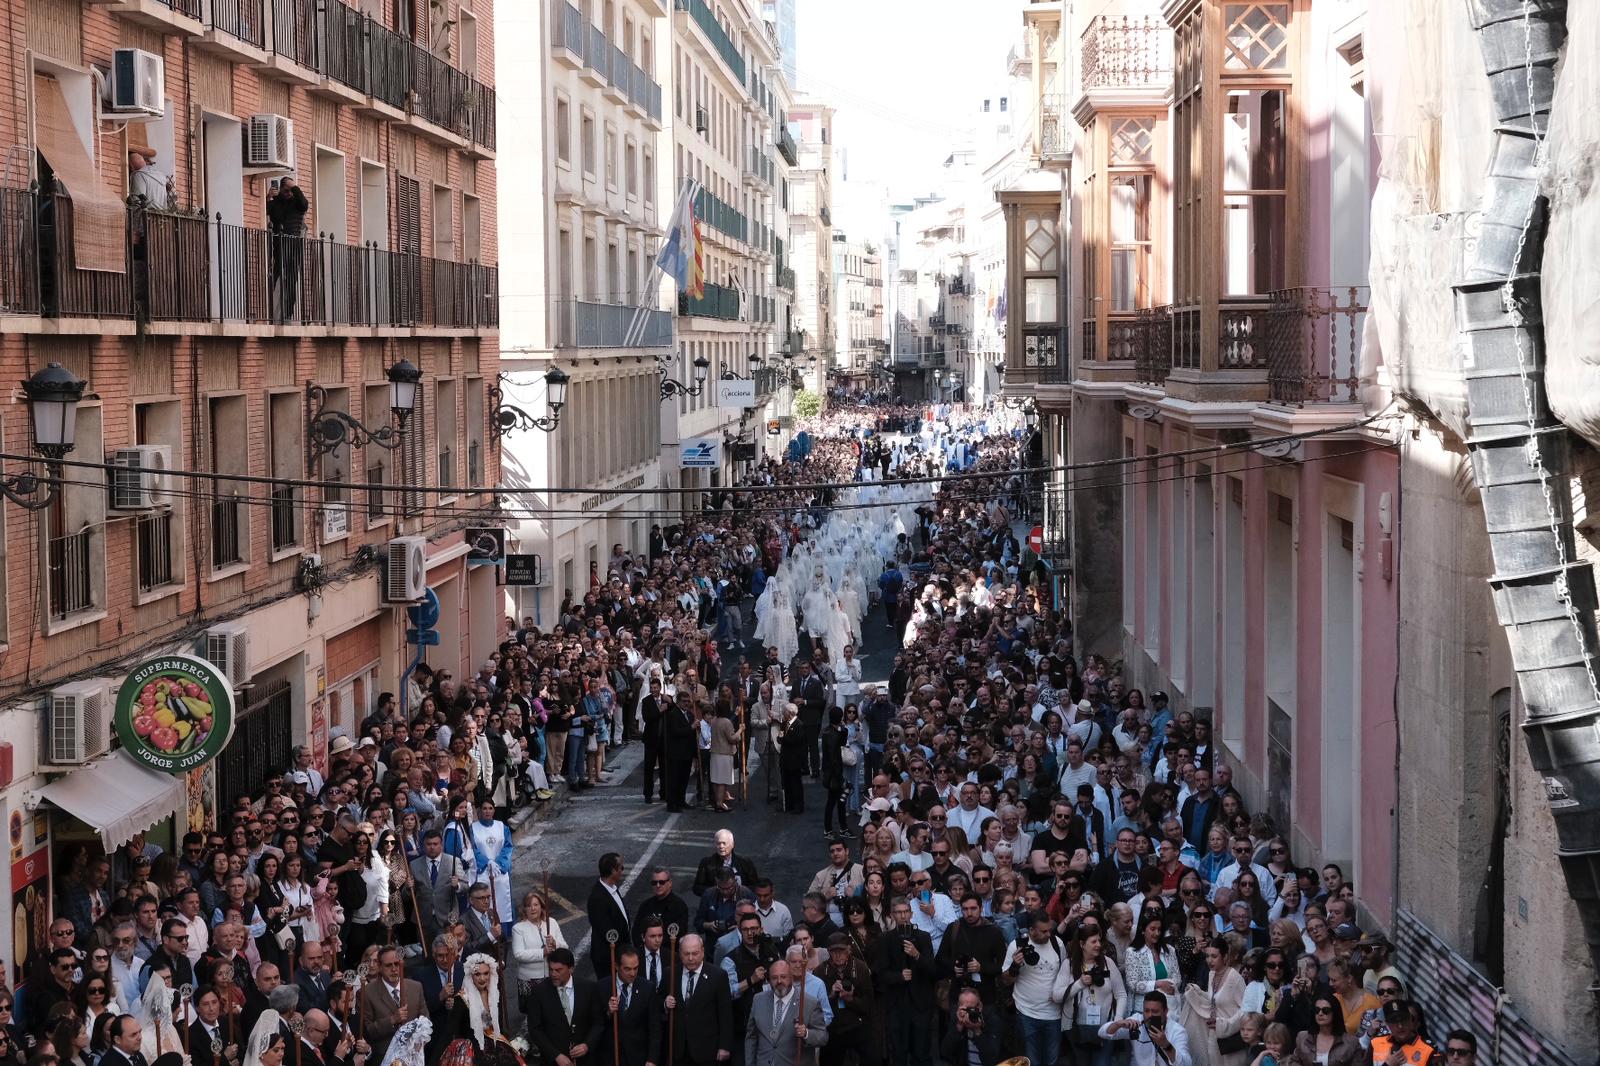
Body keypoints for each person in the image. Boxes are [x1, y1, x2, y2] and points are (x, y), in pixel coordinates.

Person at [743, 959, 828, 1066]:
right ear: (769, 980)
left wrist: (806, 1033)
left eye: (783, 977)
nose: (779, 981)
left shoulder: (809, 1003)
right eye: (774, 978)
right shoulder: (758, 1000)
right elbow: (751, 1037)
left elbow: (822, 1037)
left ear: (791, 978)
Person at [358, 946, 425, 1065]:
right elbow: (367, 1031)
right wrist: (392, 1020)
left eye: (397, 964)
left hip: (414, 1057)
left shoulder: (416, 987)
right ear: (379, 966)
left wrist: (420, 1041)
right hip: (385, 1059)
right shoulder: (366, 993)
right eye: (389, 965)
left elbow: (425, 1019)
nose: (394, 969)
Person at [1099, 990, 1193, 1066]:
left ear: (1165, 1011)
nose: (1149, 1015)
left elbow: (1186, 1063)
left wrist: (1166, 1045)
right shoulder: (1137, 1021)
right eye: (1146, 1011)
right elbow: (1103, 1033)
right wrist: (1118, 1024)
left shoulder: (1177, 1031)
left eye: (1155, 1011)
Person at [409, 830, 469, 945]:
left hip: (447, 918)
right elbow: (407, 895)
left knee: (448, 952)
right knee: (428, 956)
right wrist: (408, 888)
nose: (432, 847)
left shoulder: (453, 861)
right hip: (424, 919)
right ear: (423, 845)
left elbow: (466, 886)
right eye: (429, 844)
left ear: (441, 845)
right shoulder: (414, 865)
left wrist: (457, 885)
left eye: (435, 844)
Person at [606, 947, 661, 1066]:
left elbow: (655, 1027)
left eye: (635, 968)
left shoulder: (647, 988)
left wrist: (652, 1060)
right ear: (616, 966)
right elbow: (596, 1023)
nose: (632, 973)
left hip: (639, 1057)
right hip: (611, 1056)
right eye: (627, 969)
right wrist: (609, 1013)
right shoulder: (603, 987)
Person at [266, 177, 308, 322]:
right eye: (286, 190)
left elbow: (304, 204)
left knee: (291, 278)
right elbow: (269, 212)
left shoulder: (297, 203)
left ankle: (288, 313)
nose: (289, 193)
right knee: (276, 274)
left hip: (295, 244)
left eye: (291, 190)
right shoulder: (275, 203)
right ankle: (270, 311)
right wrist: (269, 197)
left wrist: (295, 187)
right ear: (281, 190)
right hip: (279, 243)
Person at [586, 853, 632, 979]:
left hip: (618, 954)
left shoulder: (611, 889)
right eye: (621, 868)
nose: (622, 871)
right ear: (612, 871)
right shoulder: (598, 898)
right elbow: (607, 931)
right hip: (609, 957)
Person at [938, 988, 1002, 1066]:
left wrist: (977, 1031)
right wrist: (958, 1027)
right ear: (959, 1006)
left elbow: (991, 1059)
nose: (968, 1013)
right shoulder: (958, 1019)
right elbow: (945, 1052)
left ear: (980, 1006)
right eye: (965, 1009)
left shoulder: (992, 1020)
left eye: (971, 1009)